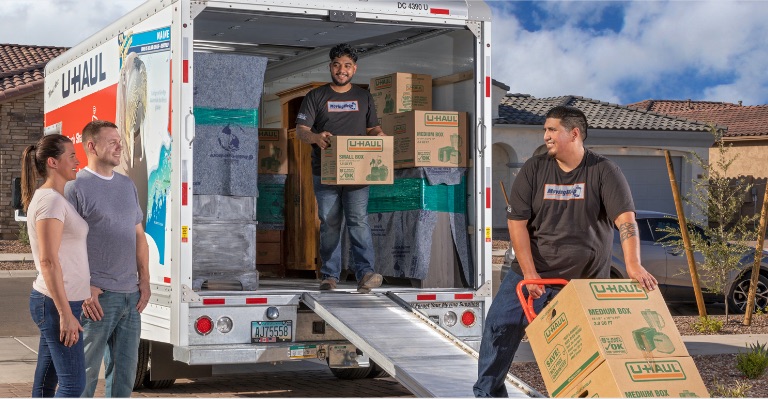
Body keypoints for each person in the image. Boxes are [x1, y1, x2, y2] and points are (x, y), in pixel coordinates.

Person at [473, 106, 659, 397]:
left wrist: (633, 265)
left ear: (574, 134)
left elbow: (625, 221)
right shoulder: (534, 169)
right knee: (499, 327)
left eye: (552, 130)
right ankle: (487, 394)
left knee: (582, 346)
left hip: (583, 281)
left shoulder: (604, 171)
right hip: (532, 274)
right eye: (545, 130)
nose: (545, 136)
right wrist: (531, 275)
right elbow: (517, 224)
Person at [64, 120, 150, 397]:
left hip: (130, 297)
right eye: (111, 141)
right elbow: (63, 244)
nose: (119, 145)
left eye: (119, 140)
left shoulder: (126, 185)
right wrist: (84, 287)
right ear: (91, 146)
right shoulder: (75, 187)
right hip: (97, 299)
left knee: (124, 377)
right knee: (85, 376)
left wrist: (144, 281)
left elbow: (139, 237)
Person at [295, 43, 386, 292]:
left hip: (358, 171)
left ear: (354, 69)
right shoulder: (316, 96)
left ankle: (365, 274)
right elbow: (301, 131)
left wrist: (380, 137)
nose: (341, 70)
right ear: (330, 67)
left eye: (347, 66)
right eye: (337, 65)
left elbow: (372, 129)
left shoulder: (364, 97)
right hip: (325, 172)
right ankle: (330, 276)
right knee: (330, 222)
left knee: (358, 221)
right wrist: (315, 138)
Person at [22, 134, 90, 397]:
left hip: (58, 301)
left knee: (45, 386)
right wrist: (65, 314)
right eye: (71, 156)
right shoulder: (50, 201)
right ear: (53, 161)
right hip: (55, 303)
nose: (77, 161)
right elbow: (48, 261)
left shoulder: (54, 199)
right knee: (73, 386)